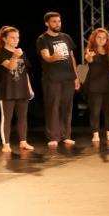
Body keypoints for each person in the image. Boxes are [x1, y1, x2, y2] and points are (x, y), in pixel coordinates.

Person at [37, 11, 79, 148]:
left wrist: (76, 77)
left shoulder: (66, 37)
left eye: (59, 21)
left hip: (68, 77)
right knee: (53, 106)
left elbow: (72, 57)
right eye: (54, 21)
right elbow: (45, 56)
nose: (57, 24)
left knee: (67, 107)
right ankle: (53, 136)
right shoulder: (43, 39)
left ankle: (66, 135)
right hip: (52, 78)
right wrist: (52, 58)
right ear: (47, 23)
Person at [0, 26, 35, 153]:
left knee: (22, 117)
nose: (16, 40)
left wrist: (29, 88)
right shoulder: (1, 53)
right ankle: (6, 143)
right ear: (4, 39)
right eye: (12, 38)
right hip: (8, 90)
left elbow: (25, 72)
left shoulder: (20, 52)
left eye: (17, 37)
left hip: (22, 89)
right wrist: (14, 56)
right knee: (7, 118)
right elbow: (11, 67)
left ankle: (23, 141)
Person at [83, 27, 109, 145]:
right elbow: (89, 59)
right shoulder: (90, 50)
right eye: (99, 37)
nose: (101, 40)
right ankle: (95, 133)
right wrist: (89, 56)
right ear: (94, 38)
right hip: (95, 85)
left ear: (107, 39)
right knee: (95, 111)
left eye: (104, 38)